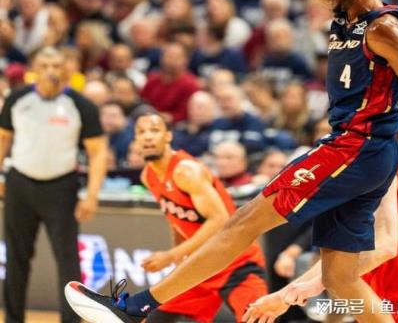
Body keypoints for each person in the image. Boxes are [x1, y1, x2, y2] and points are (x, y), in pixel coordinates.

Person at [64, 0, 398, 323]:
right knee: (340, 278)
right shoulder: (345, 16)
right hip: (368, 153)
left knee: (244, 221)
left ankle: (135, 307)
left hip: (355, 147)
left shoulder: (386, 30)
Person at [66, 113, 267, 323]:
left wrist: (171, 255)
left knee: (259, 319)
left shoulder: (187, 171)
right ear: (136, 140)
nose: (148, 136)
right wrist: (179, 255)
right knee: (154, 319)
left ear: (168, 136)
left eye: (154, 130)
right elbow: (175, 219)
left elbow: (219, 221)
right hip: (201, 266)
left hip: (237, 262)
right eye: (141, 132)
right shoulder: (148, 175)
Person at [243, 159, 398, 323]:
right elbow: (340, 260)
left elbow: (385, 248)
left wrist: (315, 284)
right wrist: (286, 294)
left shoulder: (379, 175)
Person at [0, 47, 107, 323]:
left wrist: (92, 195)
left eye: (57, 65)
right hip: (20, 184)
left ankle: (70, 320)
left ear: (66, 69)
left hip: (61, 187)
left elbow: (97, 152)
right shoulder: (17, 99)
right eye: (45, 65)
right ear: (34, 69)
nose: (51, 71)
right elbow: (3, 139)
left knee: (68, 259)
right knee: (16, 258)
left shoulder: (80, 105)